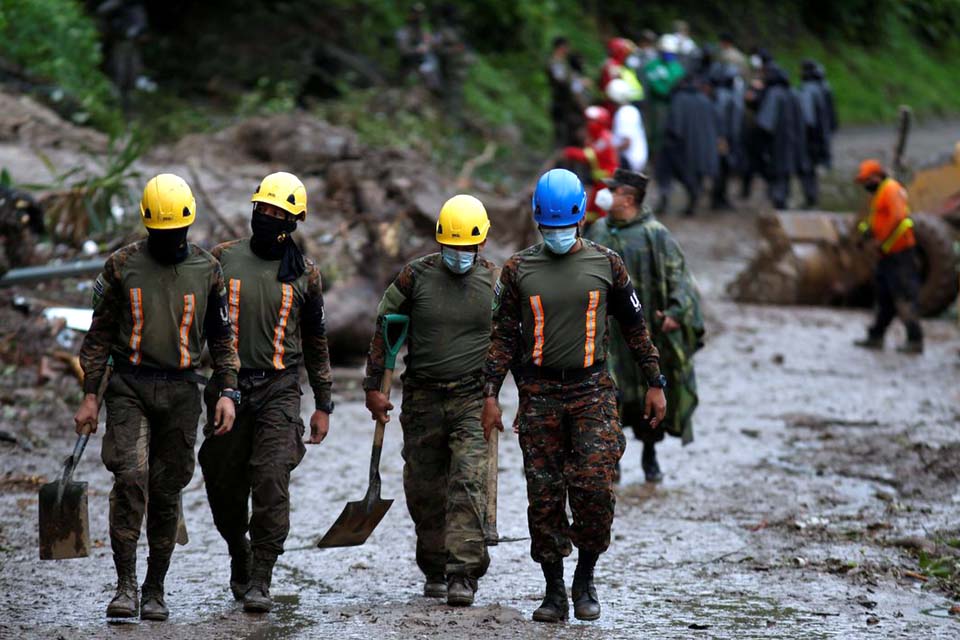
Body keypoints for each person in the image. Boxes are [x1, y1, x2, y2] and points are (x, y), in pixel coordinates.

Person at [481, 168, 666, 623]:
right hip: (539, 392)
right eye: (549, 228)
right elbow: (503, 335)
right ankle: (553, 590)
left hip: (592, 391)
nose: (557, 235)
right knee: (543, 496)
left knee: (594, 488)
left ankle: (585, 578)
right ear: (538, 223)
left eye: (564, 227)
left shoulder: (607, 264)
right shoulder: (519, 268)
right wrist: (490, 394)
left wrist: (655, 382)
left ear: (581, 219)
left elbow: (634, 328)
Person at [74, 173, 239, 621]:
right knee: (130, 477)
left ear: (188, 225)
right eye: (160, 233)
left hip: (183, 389)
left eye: (176, 233)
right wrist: (91, 395)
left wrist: (227, 390)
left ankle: (155, 588)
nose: (169, 240)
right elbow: (99, 335)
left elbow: (223, 337)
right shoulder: (121, 265)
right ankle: (125, 585)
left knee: (168, 489)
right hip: (130, 385)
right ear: (148, 226)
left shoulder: (208, 269)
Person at [198, 172, 333, 613]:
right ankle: (239, 547)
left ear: (295, 222)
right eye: (265, 210)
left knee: (272, 477)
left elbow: (315, 341)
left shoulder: (306, 275)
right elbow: (197, 321)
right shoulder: (221, 260)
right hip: (226, 388)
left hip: (279, 387)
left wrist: (324, 403)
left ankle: (261, 575)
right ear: (254, 209)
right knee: (222, 480)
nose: (269, 218)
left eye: (280, 214)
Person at [364, 195, 496, 607]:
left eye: (467, 248)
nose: (459, 255)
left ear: (480, 244)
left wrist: (503, 392)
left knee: (467, 482)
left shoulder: (495, 283)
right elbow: (385, 327)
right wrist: (373, 386)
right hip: (421, 397)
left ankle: (463, 573)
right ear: (440, 243)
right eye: (451, 247)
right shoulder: (414, 277)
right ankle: (434, 566)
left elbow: (513, 338)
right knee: (425, 488)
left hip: (471, 397)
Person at [587, 169, 704, 482]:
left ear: (628, 197)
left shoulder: (656, 234)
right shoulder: (597, 230)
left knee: (647, 395)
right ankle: (613, 460)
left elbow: (681, 278)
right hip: (606, 335)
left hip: (643, 333)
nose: (605, 194)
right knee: (608, 394)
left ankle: (649, 455)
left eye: (612, 190)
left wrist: (677, 312)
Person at [853, 160, 923, 353]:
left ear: (876, 176)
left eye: (866, 181)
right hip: (887, 254)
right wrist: (866, 233)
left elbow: (900, 219)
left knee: (904, 296)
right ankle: (876, 336)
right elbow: (880, 221)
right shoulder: (882, 192)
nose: (865, 185)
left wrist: (882, 242)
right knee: (885, 296)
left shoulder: (890, 190)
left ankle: (915, 339)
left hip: (900, 254)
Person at [654, 75, 719, 216]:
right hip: (698, 148)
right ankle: (693, 200)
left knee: (666, 174)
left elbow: (675, 125)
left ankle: (664, 202)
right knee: (691, 177)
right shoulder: (705, 100)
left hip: (676, 146)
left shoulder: (679, 99)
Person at [755, 64, 807, 209]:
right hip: (793, 142)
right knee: (785, 173)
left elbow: (765, 123)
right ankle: (782, 198)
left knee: (777, 171)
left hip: (777, 142)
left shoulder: (774, 94)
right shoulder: (794, 93)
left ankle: (778, 200)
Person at [562, 106, 618, 223]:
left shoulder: (604, 139)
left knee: (601, 211)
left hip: (606, 182)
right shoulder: (596, 137)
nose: (589, 124)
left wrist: (570, 152)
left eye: (592, 121)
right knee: (592, 210)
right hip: (599, 182)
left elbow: (589, 156)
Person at [795, 59, 836, 207]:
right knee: (812, 169)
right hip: (821, 136)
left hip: (810, 137)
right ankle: (812, 198)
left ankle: (810, 198)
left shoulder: (807, 90)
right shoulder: (824, 87)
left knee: (806, 168)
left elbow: (808, 118)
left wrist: (802, 136)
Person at [710, 64, 744, 210]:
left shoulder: (728, 94)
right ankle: (718, 198)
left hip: (730, 138)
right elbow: (720, 118)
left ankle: (721, 197)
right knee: (721, 168)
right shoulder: (723, 95)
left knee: (725, 169)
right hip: (724, 139)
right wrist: (722, 138)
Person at [607, 79, 648, 173]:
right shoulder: (632, 110)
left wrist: (608, 151)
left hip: (628, 163)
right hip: (636, 162)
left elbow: (627, 143)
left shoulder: (624, 113)